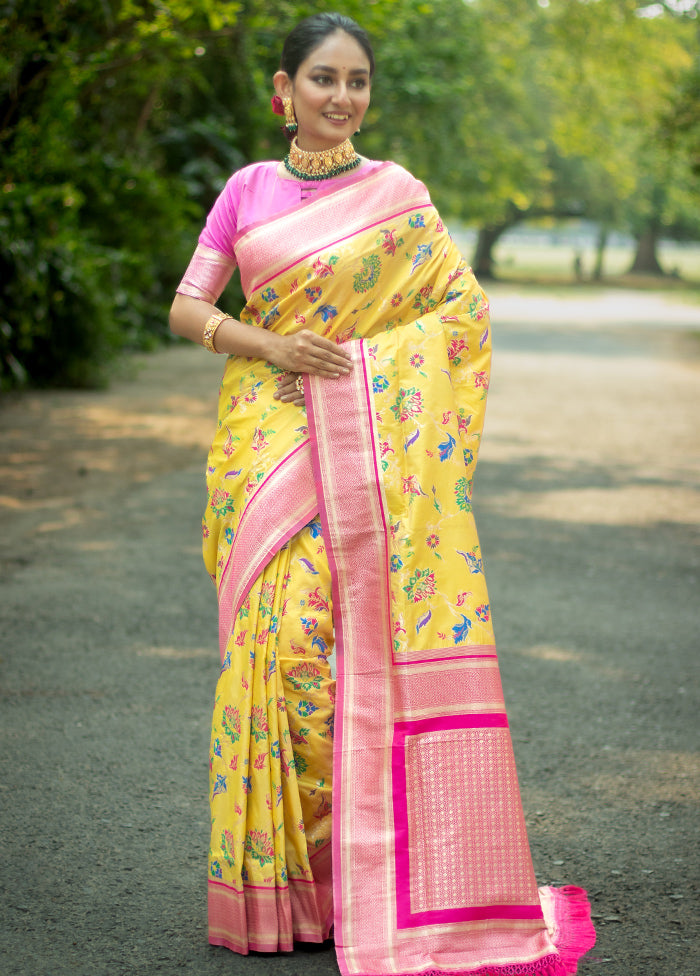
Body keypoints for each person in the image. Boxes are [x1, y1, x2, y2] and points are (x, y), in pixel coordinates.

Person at [170, 12, 595, 976]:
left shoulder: (397, 196)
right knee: (274, 652)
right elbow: (189, 304)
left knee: (329, 645)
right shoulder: (246, 191)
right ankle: (288, 889)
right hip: (268, 437)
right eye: (323, 78)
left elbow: (461, 312)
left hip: (366, 439)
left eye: (357, 81)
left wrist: (360, 366)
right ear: (282, 90)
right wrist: (268, 344)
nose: (341, 97)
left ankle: (364, 875)